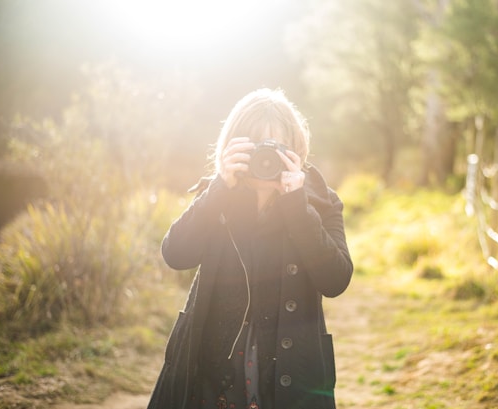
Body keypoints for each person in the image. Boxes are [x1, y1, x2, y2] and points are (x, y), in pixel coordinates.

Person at [147, 88, 353, 409]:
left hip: (290, 368)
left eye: (277, 147)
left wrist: (296, 206)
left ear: (296, 149)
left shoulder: (319, 200)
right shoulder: (219, 195)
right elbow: (176, 255)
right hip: (212, 368)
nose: (265, 159)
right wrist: (218, 189)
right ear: (233, 146)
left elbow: (336, 280)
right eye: (256, 147)